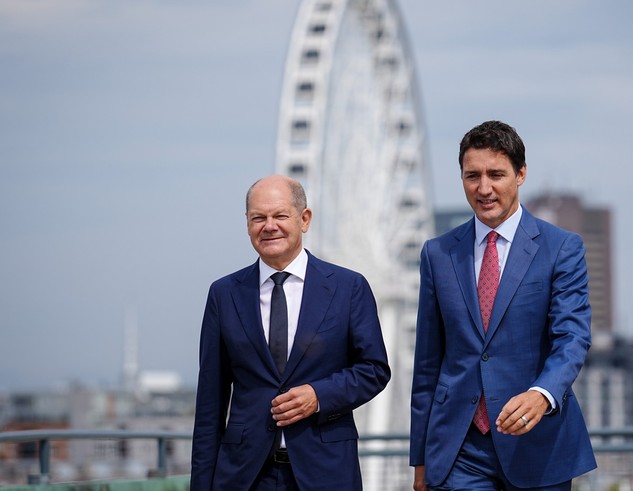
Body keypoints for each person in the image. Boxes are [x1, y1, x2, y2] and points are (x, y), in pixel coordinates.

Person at [410, 120, 597, 491]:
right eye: (472, 176)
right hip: (459, 447)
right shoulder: (438, 253)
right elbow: (427, 364)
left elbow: (572, 338)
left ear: (521, 174)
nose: (484, 188)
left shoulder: (561, 247)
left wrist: (541, 394)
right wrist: (420, 459)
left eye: (496, 174)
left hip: (538, 440)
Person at [191, 175, 391, 490]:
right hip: (245, 477)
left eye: (280, 216)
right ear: (247, 224)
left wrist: (319, 396)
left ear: (304, 219)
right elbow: (209, 403)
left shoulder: (348, 288)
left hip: (325, 473)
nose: (269, 226)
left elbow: (374, 370)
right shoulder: (224, 294)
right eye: (259, 218)